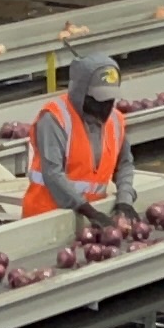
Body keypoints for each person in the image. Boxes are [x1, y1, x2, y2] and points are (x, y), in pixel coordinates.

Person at [24, 54, 132, 224]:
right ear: (80, 92)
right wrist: (88, 210)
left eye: (110, 99)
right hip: (45, 219)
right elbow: (53, 173)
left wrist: (124, 201)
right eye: (98, 98)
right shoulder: (55, 118)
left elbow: (125, 164)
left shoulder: (116, 120)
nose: (105, 105)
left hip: (89, 220)